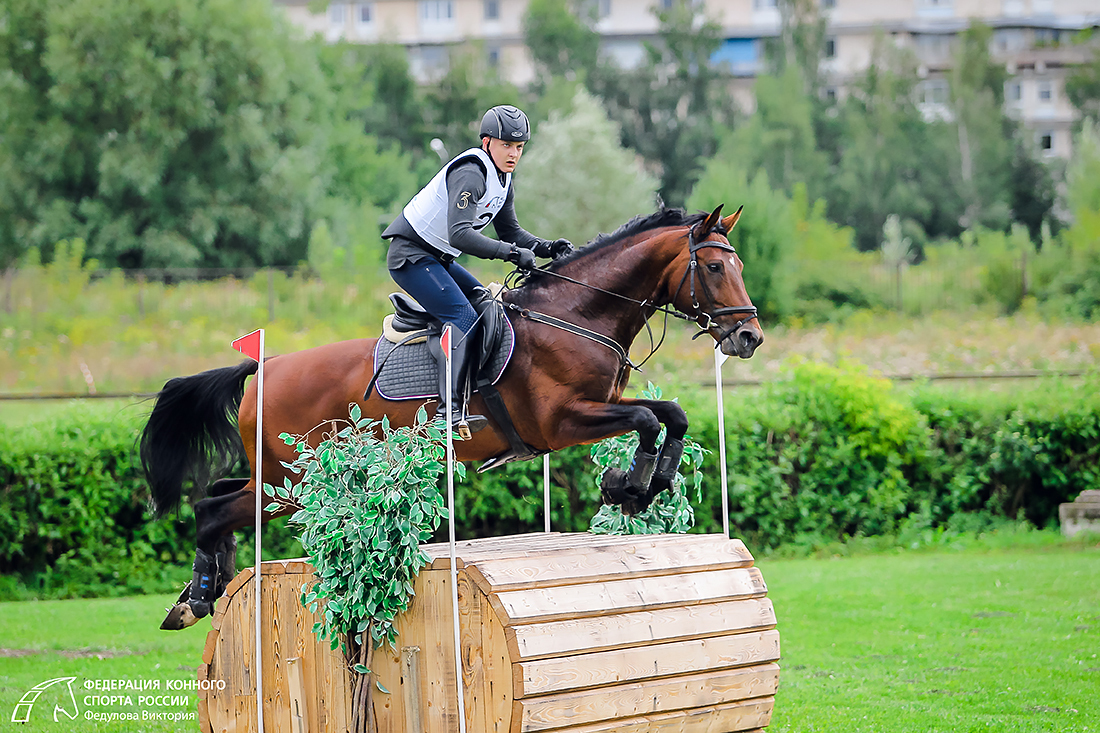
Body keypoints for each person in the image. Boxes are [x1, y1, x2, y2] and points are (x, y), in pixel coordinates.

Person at [382, 104, 573, 438]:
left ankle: (477, 392)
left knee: (487, 305)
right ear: (487, 143)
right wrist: (512, 254)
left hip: (437, 259)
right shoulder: (471, 172)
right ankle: (448, 413)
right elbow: (460, 235)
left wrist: (546, 247)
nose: (514, 154)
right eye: (506, 145)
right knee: (463, 317)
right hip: (410, 256)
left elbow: (511, 233)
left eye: (519, 147)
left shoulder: (503, 180)